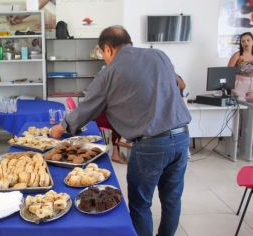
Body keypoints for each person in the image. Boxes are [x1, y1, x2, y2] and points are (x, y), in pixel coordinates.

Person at [50, 25, 191, 236]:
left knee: (140, 204)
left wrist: (61, 128)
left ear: (107, 48)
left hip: (151, 145)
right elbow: (179, 83)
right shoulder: (159, 55)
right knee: (172, 199)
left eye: (102, 53)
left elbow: (87, 106)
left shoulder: (110, 71)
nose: (104, 58)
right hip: (181, 137)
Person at [228, 32, 253, 100]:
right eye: (243, 41)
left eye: (248, 40)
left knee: (250, 109)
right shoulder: (237, 55)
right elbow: (228, 72)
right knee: (239, 107)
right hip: (239, 85)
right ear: (241, 43)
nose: (246, 43)